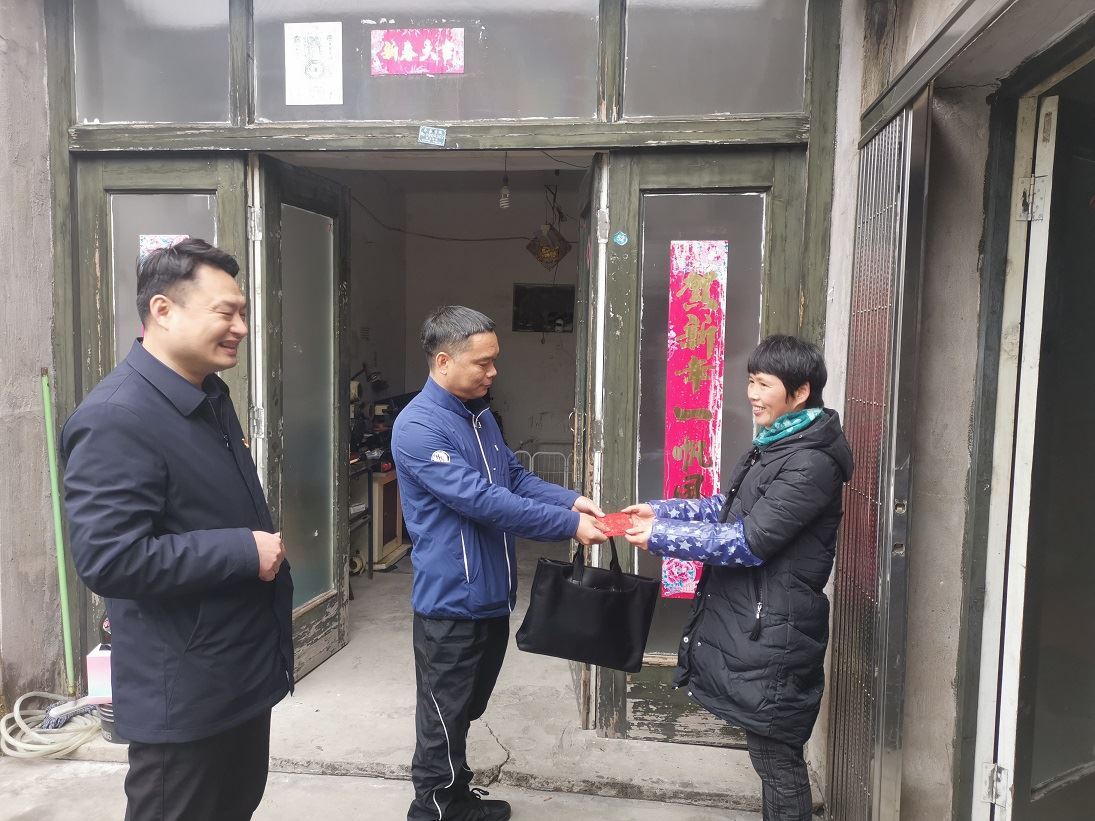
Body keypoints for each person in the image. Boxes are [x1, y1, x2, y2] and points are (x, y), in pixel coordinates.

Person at [62, 239, 293, 821]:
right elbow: (110, 558)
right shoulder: (117, 417)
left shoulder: (206, 395)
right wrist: (242, 551)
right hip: (184, 696)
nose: (241, 328)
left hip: (234, 677)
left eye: (243, 313)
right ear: (162, 310)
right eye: (226, 313)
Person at [623, 335, 853, 821]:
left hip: (777, 628)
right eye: (750, 381)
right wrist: (661, 512)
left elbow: (750, 541)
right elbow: (726, 508)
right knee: (770, 757)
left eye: (763, 384)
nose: (751, 394)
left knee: (777, 760)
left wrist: (661, 536)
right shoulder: (777, 445)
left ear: (800, 392)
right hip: (760, 622)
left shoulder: (810, 463)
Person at [393, 306, 608, 821]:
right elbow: (483, 500)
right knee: (443, 716)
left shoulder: (480, 416)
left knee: (466, 708)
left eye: (495, 361)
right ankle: (433, 809)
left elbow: (512, 477)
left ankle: (456, 797)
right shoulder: (418, 427)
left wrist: (569, 500)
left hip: (491, 594)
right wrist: (567, 526)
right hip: (451, 601)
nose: (493, 372)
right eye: (482, 363)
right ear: (443, 362)